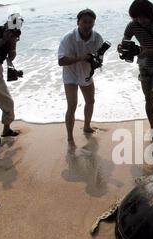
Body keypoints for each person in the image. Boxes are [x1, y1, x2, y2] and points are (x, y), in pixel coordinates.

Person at [119, 0, 153, 137]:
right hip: (144, 66)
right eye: (136, 17)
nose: (139, 20)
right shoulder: (132, 25)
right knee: (148, 98)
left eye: (142, 17)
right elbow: (125, 41)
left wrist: (149, 51)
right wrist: (122, 48)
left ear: (150, 14)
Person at [58, 9, 104, 145]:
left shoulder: (97, 38)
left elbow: (100, 60)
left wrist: (95, 62)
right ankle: (70, 137)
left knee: (90, 101)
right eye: (84, 22)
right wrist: (80, 58)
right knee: (71, 106)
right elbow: (61, 61)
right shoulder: (68, 38)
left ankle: (87, 126)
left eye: (90, 22)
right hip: (70, 75)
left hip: (86, 73)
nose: (87, 25)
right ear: (78, 22)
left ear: (94, 23)